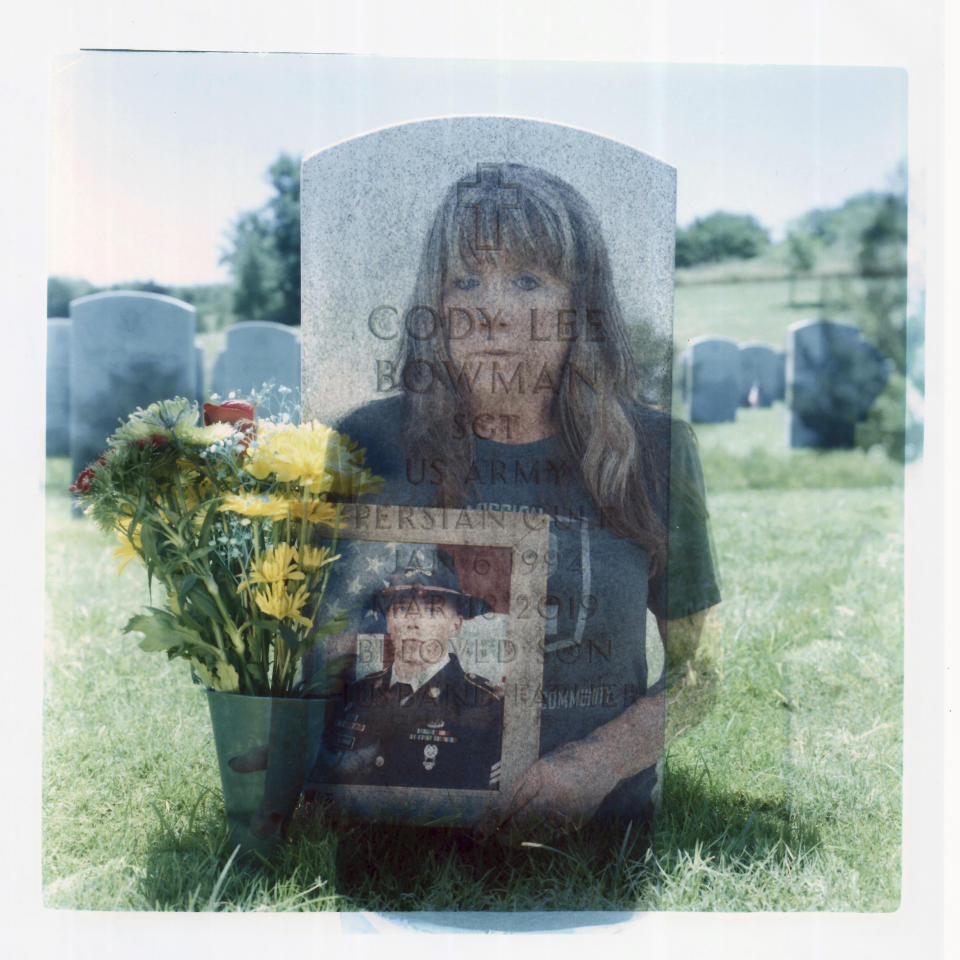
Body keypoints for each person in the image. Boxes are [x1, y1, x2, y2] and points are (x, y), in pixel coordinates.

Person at [324, 163, 720, 830]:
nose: (492, 310)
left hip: (589, 844)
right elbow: (309, 653)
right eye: (465, 281)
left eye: (528, 281)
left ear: (580, 307)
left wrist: (592, 767)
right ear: (436, 306)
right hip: (393, 841)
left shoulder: (657, 448)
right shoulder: (366, 441)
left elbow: (701, 673)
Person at [323, 550, 504, 790]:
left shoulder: (486, 705)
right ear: (388, 621)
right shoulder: (356, 694)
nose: (413, 621)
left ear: (456, 625)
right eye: (400, 608)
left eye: (431, 610)